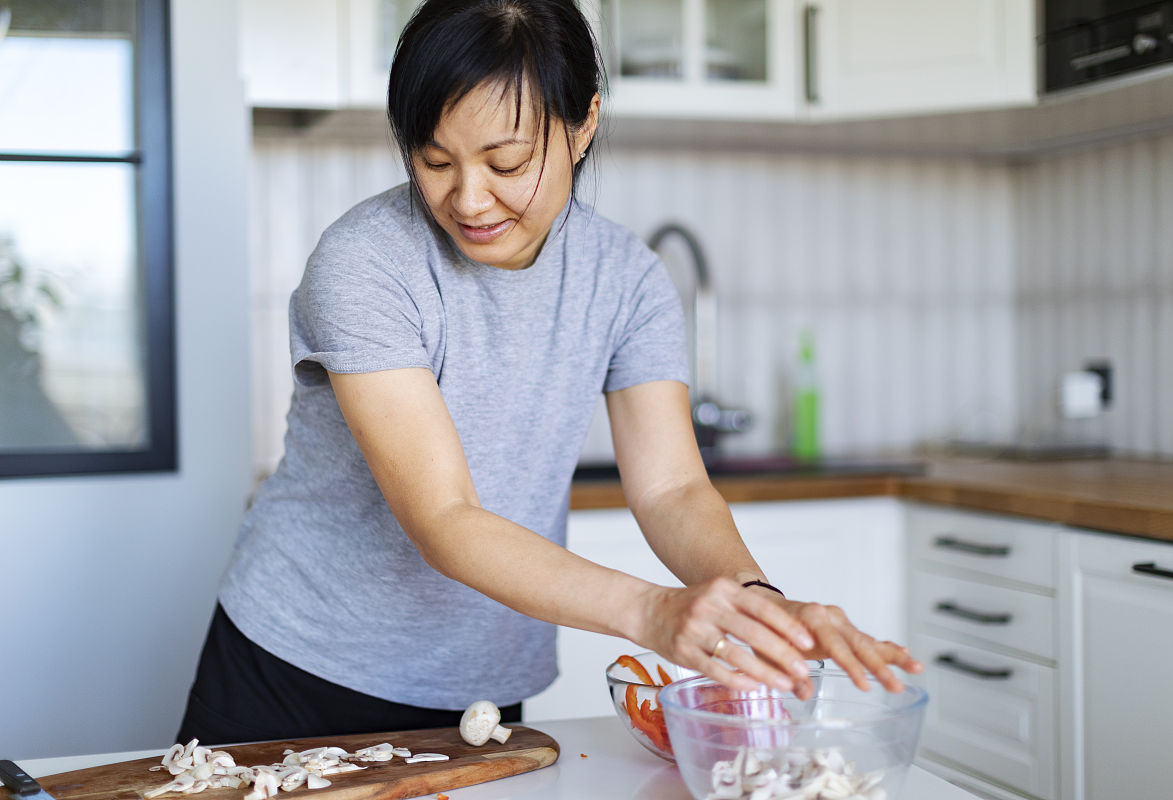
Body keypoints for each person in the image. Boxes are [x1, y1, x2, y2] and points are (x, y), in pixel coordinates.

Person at [176, 0, 921, 745]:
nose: (468, 199)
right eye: (434, 161)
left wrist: (757, 601)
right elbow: (445, 518)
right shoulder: (366, 263)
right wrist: (654, 612)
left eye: (506, 163)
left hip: (485, 688)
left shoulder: (627, 278)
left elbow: (672, 488)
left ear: (583, 124)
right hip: (295, 670)